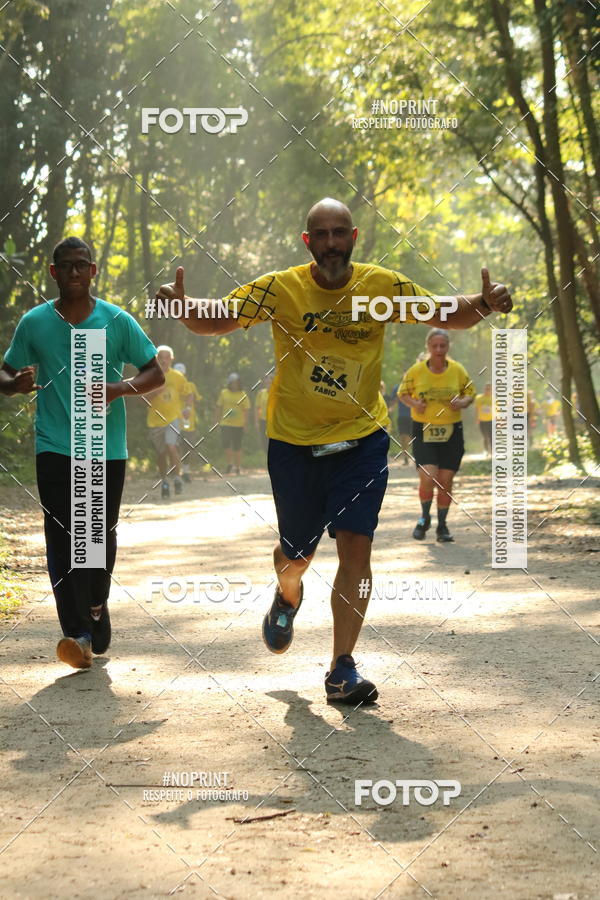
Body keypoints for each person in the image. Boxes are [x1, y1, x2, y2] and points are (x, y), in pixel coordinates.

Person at [156, 197, 513, 703]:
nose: (330, 243)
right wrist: (183, 307)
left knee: (356, 544)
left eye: (339, 233)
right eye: (320, 235)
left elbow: (443, 311)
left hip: (361, 440)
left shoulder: (379, 287)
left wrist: (484, 303)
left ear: (353, 236)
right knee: (297, 554)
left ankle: (342, 668)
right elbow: (218, 319)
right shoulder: (281, 289)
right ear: (307, 242)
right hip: (294, 442)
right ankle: (287, 596)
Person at [0, 236, 163, 669]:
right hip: (54, 445)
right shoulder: (35, 323)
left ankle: (96, 603)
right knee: (62, 538)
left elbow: (154, 372)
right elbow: (5, 372)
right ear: (53, 272)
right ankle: (78, 635)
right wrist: (14, 385)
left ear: (94, 270)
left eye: (82, 265)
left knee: (96, 535)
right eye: (66, 266)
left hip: (104, 447)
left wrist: (117, 389)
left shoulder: (117, 321)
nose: (74, 272)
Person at [399, 329, 475, 543]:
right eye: (435, 346)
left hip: (452, 431)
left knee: (445, 480)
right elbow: (402, 394)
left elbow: (470, 393)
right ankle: (424, 518)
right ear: (428, 347)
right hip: (424, 429)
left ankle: (442, 526)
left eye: (443, 345)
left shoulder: (458, 370)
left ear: (448, 347)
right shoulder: (416, 371)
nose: (439, 349)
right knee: (428, 477)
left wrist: (462, 402)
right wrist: (415, 404)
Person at [146, 346, 192, 498]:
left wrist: (188, 408)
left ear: (171, 359)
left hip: (173, 418)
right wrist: (155, 392)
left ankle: (177, 478)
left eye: (167, 357)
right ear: (156, 359)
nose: (164, 360)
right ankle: (164, 481)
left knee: (171, 447)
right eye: (161, 357)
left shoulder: (178, 376)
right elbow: (142, 399)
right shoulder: (149, 377)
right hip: (155, 421)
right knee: (161, 454)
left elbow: (188, 393)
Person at [173, 361, 202, 482]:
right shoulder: (170, 385)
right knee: (174, 445)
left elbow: (197, 399)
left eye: (182, 373)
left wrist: (189, 407)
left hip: (187, 421)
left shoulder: (191, 385)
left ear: (185, 374)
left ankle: (185, 471)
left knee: (187, 446)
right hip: (174, 419)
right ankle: (175, 470)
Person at [217, 372, 250, 474]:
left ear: (239, 383)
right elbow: (219, 407)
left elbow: (246, 410)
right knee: (226, 443)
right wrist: (217, 421)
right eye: (232, 383)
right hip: (225, 423)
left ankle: (238, 467)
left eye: (236, 382)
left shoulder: (242, 394)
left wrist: (245, 424)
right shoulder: (224, 393)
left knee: (237, 446)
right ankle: (229, 464)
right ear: (229, 383)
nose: (234, 384)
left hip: (238, 424)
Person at [255, 373, 273, 453]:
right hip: (263, 420)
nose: (268, 382)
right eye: (267, 380)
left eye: (270, 380)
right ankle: (267, 454)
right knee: (264, 440)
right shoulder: (261, 393)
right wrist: (256, 422)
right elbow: (257, 407)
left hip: (274, 421)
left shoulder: (277, 393)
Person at [474, 382, 493, 455]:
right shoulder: (479, 398)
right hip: (482, 420)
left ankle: (492, 451)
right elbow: (476, 409)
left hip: (491, 420)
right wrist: (476, 418)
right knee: (485, 436)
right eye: (486, 389)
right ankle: (486, 451)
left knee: (492, 436)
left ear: (491, 390)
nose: (487, 390)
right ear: (484, 389)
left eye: (489, 389)